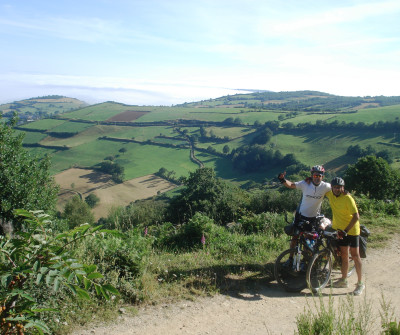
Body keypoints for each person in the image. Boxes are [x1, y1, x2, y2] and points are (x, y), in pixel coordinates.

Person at [278, 165, 331, 257]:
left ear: (322, 177)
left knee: (308, 240)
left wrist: (345, 192)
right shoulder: (305, 184)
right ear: (311, 175)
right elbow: (291, 185)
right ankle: (290, 259)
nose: (317, 178)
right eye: (315, 175)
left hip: (313, 218)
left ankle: (306, 261)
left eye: (319, 176)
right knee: (295, 238)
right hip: (301, 216)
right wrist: (282, 179)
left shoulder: (326, 186)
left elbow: (336, 188)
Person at [325, 177, 364, 296]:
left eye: (340, 187)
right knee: (344, 255)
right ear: (332, 188)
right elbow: (318, 187)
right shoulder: (330, 194)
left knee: (355, 256)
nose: (337, 189)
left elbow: (356, 216)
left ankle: (360, 283)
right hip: (340, 230)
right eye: (335, 187)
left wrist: (346, 230)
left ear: (343, 188)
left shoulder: (348, 198)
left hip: (351, 231)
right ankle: (344, 280)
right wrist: (309, 180)